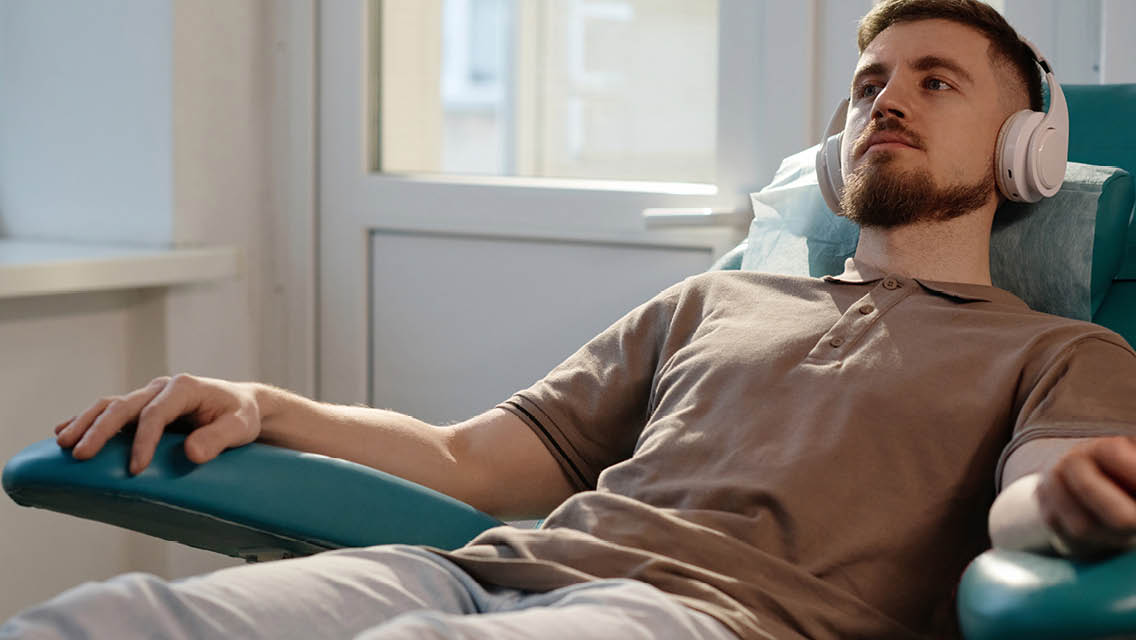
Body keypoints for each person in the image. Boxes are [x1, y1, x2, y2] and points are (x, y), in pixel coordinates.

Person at [5, 1, 1136, 638]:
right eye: (867, 84)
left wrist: (1069, 514)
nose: (884, 98)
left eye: (934, 80)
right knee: (114, 618)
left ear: (1020, 150)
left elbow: (1036, 500)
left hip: (710, 625)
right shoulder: (717, 301)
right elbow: (471, 457)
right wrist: (265, 403)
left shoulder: (1056, 348)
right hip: (483, 572)